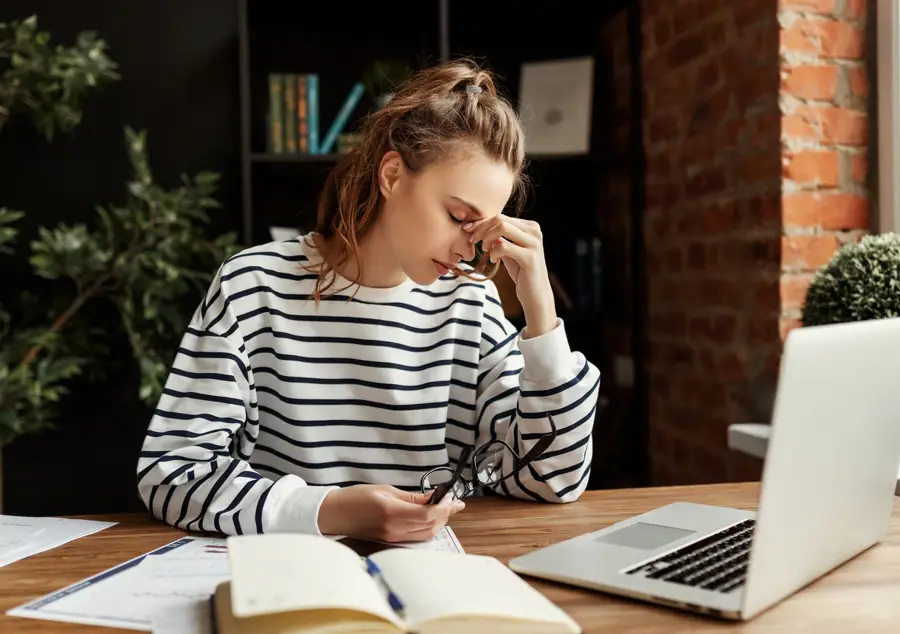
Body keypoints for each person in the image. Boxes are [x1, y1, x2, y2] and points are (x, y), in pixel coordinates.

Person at [136, 58, 601, 544]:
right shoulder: (253, 286)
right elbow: (172, 472)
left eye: (483, 227)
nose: (470, 247)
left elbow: (550, 481)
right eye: (458, 215)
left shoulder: (471, 304)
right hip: (287, 581)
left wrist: (542, 318)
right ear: (394, 175)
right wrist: (330, 511)